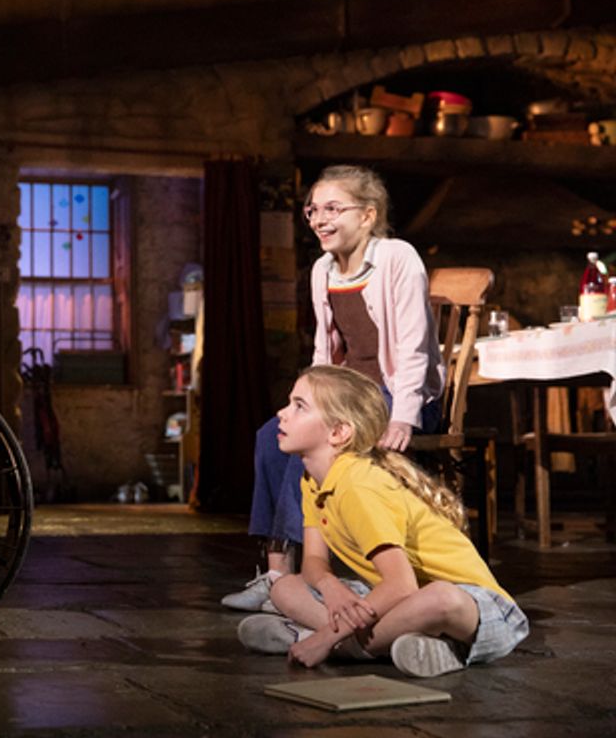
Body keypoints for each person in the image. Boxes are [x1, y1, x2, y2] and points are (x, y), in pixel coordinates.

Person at [222, 165, 444, 612]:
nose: (319, 220)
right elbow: (325, 353)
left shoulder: (397, 258)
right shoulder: (323, 269)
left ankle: (304, 576)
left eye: (332, 209)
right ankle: (276, 573)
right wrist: (302, 402)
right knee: (272, 435)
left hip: (401, 395)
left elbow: (415, 349)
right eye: (313, 211)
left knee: (310, 435)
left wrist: (404, 416)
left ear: (367, 214)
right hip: (348, 396)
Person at [236, 365, 528, 677]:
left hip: (475, 608)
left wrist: (327, 637)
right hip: (401, 600)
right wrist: (330, 587)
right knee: (284, 587)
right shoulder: (313, 480)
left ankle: (326, 642)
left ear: (338, 433)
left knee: (443, 599)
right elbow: (313, 562)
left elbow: (402, 585)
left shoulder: (359, 485)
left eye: (299, 406)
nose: (282, 413)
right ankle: (409, 645)